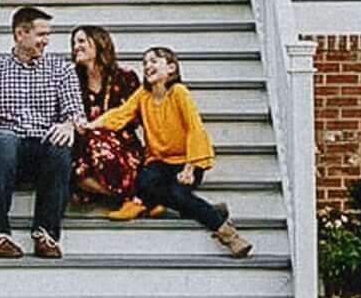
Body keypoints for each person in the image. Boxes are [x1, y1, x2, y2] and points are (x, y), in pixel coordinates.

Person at [98, 45, 253, 258]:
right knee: (143, 183)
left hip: (186, 160)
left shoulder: (179, 92)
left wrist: (191, 167)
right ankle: (207, 209)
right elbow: (120, 115)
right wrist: (91, 125)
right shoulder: (143, 95)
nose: (147, 66)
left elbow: (194, 128)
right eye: (144, 63)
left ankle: (228, 234)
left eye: (154, 61)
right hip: (159, 161)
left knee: (177, 193)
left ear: (171, 68)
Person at [0, 5, 84, 259]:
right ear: (20, 34)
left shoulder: (61, 70)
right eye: (41, 35)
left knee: (61, 144)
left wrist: (68, 124)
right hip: (5, 150)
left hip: (43, 147)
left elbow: (76, 112)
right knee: (4, 138)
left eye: (48, 35)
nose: (46, 41)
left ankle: (45, 234)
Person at [68, 25, 144, 204]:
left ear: (99, 43)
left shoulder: (126, 77)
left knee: (94, 138)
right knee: (71, 164)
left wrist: (103, 125)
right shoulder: (71, 78)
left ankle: (127, 194)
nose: (75, 47)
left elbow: (135, 117)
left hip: (120, 142)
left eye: (81, 41)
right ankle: (131, 197)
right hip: (83, 143)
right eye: (73, 43)